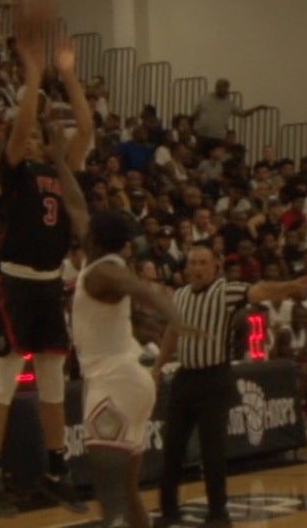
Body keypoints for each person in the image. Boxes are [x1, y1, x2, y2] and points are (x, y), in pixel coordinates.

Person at [0, 0, 94, 516]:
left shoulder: (60, 167)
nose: (41, 118)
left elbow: (87, 129)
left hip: (48, 282)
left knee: (51, 377)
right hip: (17, 279)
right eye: (38, 113)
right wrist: (32, 73)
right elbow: (21, 127)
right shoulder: (17, 164)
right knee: (5, 374)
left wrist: (65, 75)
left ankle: (55, 465)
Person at [60, 131, 196, 526]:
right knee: (128, 490)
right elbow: (74, 203)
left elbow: (135, 288)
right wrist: (57, 161)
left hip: (113, 382)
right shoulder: (100, 259)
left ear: (97, 239)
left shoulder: (104, 273)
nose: (82, 230)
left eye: (88, 231)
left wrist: (170, 312)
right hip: (132, 380)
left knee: (110, 495)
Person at [151, 246, 307, 528]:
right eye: (192, 262)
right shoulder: (179, 295)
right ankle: (168, 510)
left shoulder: (225, 291)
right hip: (184, 378)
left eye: (203, 263)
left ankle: (218, 512)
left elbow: (261, 291)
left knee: (212, 448)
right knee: (172, 447)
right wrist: (157, 366)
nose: (196, 268)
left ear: (215, 267)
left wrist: (290, 286)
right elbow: (172, 332)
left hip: (214, 377)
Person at [191, 78, 267, 157]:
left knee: (216, 159)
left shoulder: (229, 104)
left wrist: (257, 108)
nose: (222, 89)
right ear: (216, 87)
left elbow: (243, 113)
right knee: (198, 158)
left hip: (218, 137)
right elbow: (194, 114)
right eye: (220, 87)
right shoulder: (205, 98)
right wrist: (193, 130)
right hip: (201, 135)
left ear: (227, 89)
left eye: (224, 87)